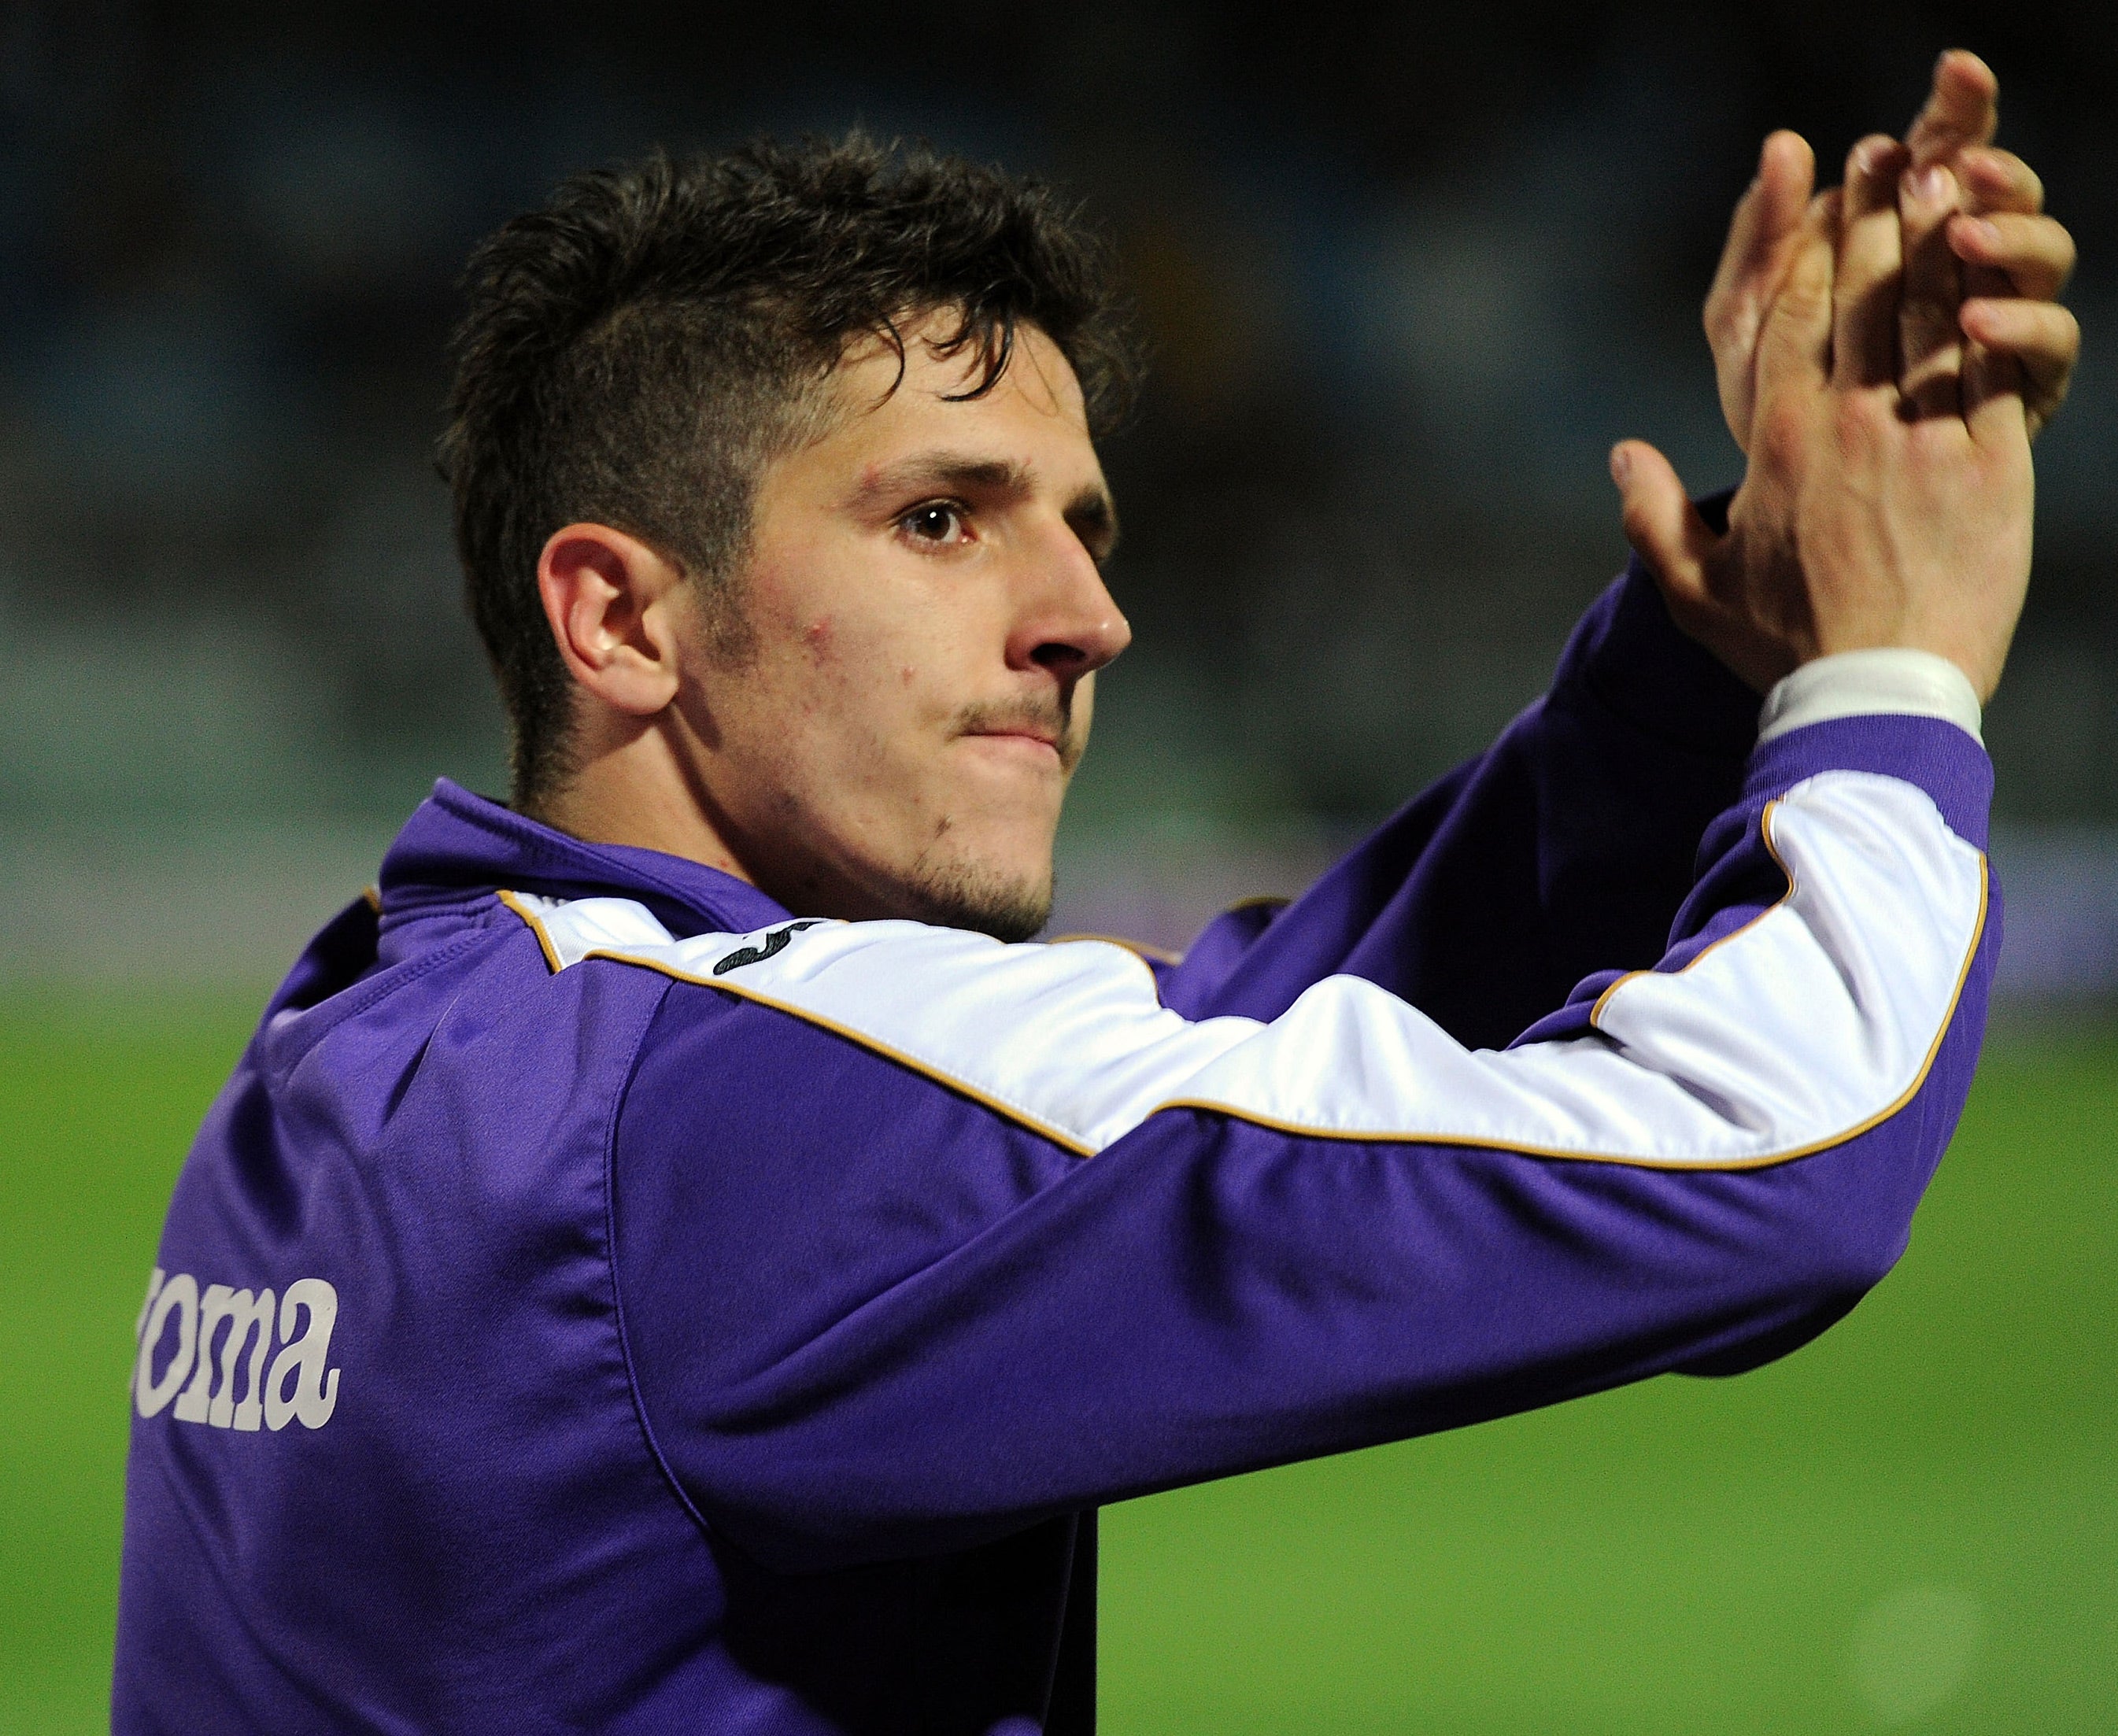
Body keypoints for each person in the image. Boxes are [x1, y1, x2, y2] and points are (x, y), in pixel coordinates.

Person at [114, 51, 2079, 1735]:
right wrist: (1885, 672)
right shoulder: (719, 1128)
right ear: (622, 613)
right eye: (941, 517)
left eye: (1084, 529)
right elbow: (1757, 1150)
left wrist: (1700, 659)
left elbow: (1225, 1046)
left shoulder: (385, 1032)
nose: (1087, 617)